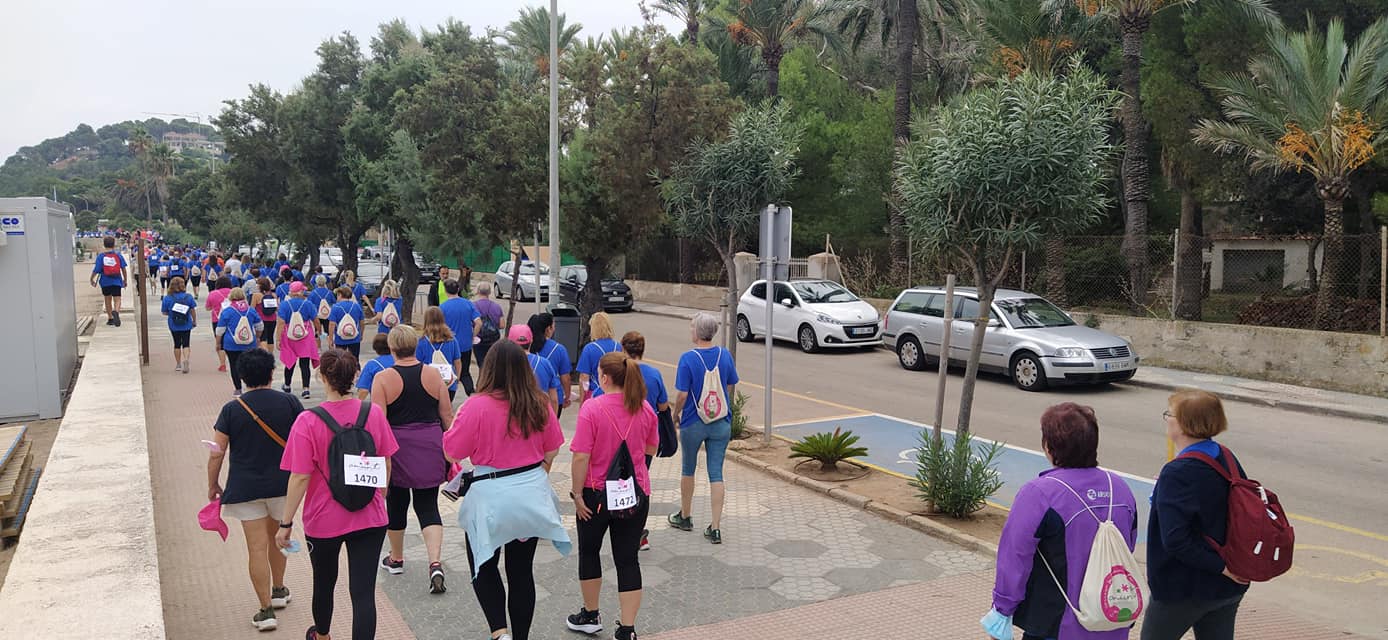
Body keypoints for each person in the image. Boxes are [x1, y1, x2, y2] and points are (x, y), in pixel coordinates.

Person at [442, 340, 570, 640]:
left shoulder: (475, 406)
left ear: (488, 369)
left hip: (489, 499)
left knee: (483, 564)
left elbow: (452, 452)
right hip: (530, 496)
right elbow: (552, 449)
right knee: (521, 570)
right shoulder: (538, 402)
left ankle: (500, 632)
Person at [985, 403, 1139, 640]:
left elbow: (1015, 556)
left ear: (1049, 446)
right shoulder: (1120, 488)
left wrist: (1002, 610)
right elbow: (1128, 544)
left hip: (1057, 623)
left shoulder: (1039, 494)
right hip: (1110, 615)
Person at [276, 349, 400, 640]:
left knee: (324, 582)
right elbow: (386, 461)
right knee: (363, 592)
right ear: (355, 375)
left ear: (322, 377)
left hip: (324, 519)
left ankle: (322, 635)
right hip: (370, 516)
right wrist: (379, 497)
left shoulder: (307, 421)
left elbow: (300, 476)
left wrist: (286, 522)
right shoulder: (373, 413)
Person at [206, 349, 303, 631]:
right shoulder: (289, 403)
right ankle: (279, 589)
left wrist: (212, 484)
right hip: (284, 485)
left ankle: (265, 610)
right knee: (279, 538)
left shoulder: (231, 409)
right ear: (272, 373)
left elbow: (216, 452)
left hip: (245, 487)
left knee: (256, 547)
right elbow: (305, 439)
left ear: (242, 376)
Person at [1142, 391, 1250, 640]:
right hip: (1228, 587)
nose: (1167, 419)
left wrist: (1221, 567)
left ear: (1183, 424)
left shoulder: (1178, 472)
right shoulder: (1225, 456)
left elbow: (1176, 540)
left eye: (1169, 414)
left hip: (1184, 589)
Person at [566, 352, 659, 640]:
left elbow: (581, 456)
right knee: (628, 559)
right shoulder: (644, 408)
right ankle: (627, 628)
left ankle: (590, 614)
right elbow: (651, 448)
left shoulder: (592, 409)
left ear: (605, 378)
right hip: (635, 493)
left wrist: (577, 494)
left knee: (590, 551)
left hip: (595, 493)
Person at [371, 324, 454, 595]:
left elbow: (378, 422)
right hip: (430, 444)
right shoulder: (433, 375)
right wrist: (452, 450)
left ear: (392, 347)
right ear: (416, 346)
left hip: (397, 447)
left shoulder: (383, 378)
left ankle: (396, 558)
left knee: (396, 503)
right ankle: (435, 562)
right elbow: (446, 416)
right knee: (428, 505)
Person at [668, 312, 738, 544]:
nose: (691, 331)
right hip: (720, 422)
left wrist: (676, 414)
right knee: (716, 473)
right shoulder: (725, 355)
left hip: (693, 421)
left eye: (691, 327)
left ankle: (685, 516)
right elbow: (730, 385)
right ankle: (715, 527)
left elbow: (682, 394)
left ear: (698, 332)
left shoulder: (687, 358)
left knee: (688, 468)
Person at [620, 331, 670, 552]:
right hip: (645, 439)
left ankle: (620, 525)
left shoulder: (618, 372)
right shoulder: (654, 374)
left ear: (623, 349)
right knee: (639, 482)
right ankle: (637, 530)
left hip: (619, 437)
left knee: (618, 481)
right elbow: (663, 405)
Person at [276, 282, 320, 399]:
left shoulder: (284, 305)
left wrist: (278, 338)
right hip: (305, 335)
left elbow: (281, 323)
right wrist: (318, 331)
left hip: (289, 335)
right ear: (300, 292)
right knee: (304, 363)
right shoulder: (308, 304)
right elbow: (316, 320)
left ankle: (287, 385)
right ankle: (306, 389)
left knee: (289, 361)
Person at [217, 287, 264, 397]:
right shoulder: (251, 310)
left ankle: (238, 389)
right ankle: (250, 386)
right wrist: (257, 337)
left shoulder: (227, 311)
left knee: (234, 365)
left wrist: (218, 343)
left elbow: (220, 330)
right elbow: (260, 326)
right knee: (250, 365)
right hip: (249, 343)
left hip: (231, 343)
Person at [440, 280, 481, 395]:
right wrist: (472, 336)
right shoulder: (468, 304)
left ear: (445, 291)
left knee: (447, 371)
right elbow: (479, 323)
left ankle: (448, 395)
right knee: (465, 372)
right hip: (465, 345)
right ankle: (471, 393)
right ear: (458, 289)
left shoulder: (442, 307)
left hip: (449, 344)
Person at [528, 313, 573, 417]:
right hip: (554, 397)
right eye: (553, 326)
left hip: (529, 395)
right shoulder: (559, 349)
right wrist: (567, 396)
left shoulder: (527, 347)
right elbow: (565, 378)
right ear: (548, 329)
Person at [416, 307, 465, 401]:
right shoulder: (452, 340)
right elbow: (457, 361)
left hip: (428, 383)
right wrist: (457, 378)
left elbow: (418, 364)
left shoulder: (421, 342)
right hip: (449, 382)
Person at [508, 325, 560, 412]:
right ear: (531, 340)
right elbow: (553, 399)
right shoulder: (544, 363)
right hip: (539, 414)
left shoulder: (503, 363)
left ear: (509, 341)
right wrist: (552, 418)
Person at [576, 312, 621, 407]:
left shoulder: (589, 348)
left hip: (595, 393)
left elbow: (584, 378)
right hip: (615, 392)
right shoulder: (618, 347)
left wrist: (582, 401)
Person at [160, 276, 198, 373]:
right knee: (186, 343)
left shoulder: (167, 298)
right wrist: (194, 321)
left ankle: (178, 364)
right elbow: (192, 310)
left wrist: (172, 313)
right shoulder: (188, 297)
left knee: (176, 344)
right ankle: (186, 359)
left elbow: (164, 312)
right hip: (186, 323)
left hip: (173, 323)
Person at [90, 236, 128, 327]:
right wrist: (125, 280)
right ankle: (116, 311)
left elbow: (96, 270)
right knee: (117, 299)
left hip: (105, 282)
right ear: (114, 245)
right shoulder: (118, 255)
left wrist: (91, 279)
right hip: (116, 281)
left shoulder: (101, 256)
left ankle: (110, 318)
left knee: (107, 299)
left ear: (104, 245)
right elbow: (123, 269)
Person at [473, 282, 505, 370]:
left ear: (478, 291)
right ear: (489, 292)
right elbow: (502, 325)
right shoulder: (496, 306)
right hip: (493, 339)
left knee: (481, 364)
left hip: (478, 340)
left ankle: (483, 377)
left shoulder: (473, 306)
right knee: (492, 364)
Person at [206, 276, 235, 372]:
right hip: (232, 318)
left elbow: (208, 308)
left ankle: (223, 364)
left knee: (220, 342)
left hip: (217, 319)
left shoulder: (213, 293)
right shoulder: (233, 292)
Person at [328, 286, 366, 357]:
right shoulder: (356, 306)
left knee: (340, 358)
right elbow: (362, 321)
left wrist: (330, 339)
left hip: (340, 338)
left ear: (340, 295)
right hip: (354, 337)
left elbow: (332, 324)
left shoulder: (335, 307)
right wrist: (361, 334)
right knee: (355, 358)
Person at [356, 333, 395, 400]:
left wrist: (359, 403)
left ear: (375, 348)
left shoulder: (372, 365)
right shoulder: (400, 360)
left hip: (381, 402)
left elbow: (363, 390)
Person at [254, 277, 280, 358]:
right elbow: (277, 308)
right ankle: (270, 355)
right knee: (270, 337)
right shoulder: (273, 295)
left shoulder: (256, 295)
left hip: (261, 319)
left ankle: (265, 356)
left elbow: (252, 308)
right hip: (272, 319)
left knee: (262, 338)